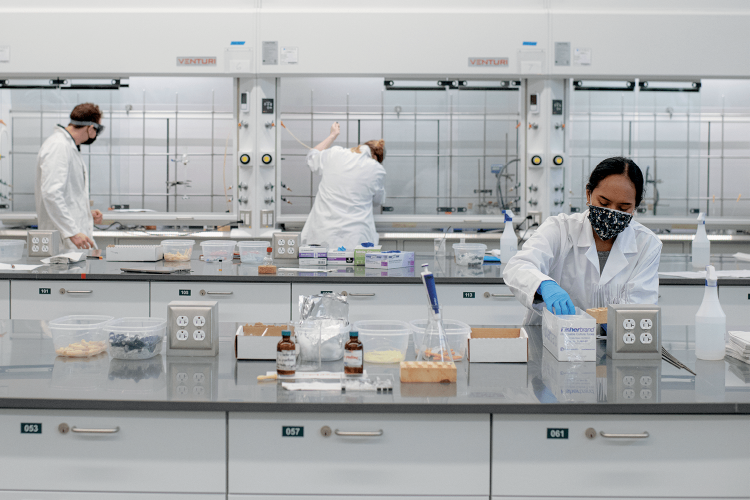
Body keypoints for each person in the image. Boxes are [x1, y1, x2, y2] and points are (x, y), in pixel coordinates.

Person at [503, 157, 662, 325]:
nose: (612, 213)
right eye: (604, 203)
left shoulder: (646, 244)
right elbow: (518, 267)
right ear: (589, 194)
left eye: (623, 208)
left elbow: (642, 307)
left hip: (615, 344)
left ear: (635, 206)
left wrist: (615, 323)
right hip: (551, 340)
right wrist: (544, 285)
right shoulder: (560, 229)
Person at [300, 122, 386, 250]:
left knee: (319, 269)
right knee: (358, 270)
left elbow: (311, 157)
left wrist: (332, 135)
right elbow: (378, 201)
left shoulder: (335, 153)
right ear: (375, 157)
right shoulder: (376, 169)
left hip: (324, 234)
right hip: (357, 238)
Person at [35, 103, 104, 250]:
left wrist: (86, 212)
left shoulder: (68, 146)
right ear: (91, 128)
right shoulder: (58, 146)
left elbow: (67, 195)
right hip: (64, 240)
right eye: (98, 129)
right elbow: (51, 193)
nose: (96, 135)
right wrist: (72, 232)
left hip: (73, 238)